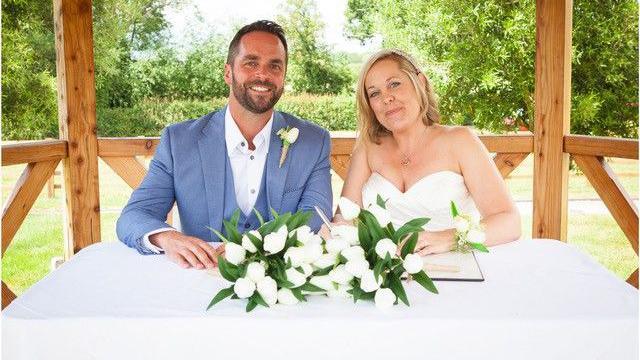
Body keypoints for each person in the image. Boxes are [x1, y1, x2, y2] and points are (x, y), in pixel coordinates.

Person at [117, 20, 333, 269]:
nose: (263, 74)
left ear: (283, 76)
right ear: (228, 73)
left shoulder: (313, 141)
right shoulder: (179, 141)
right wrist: (168, 238)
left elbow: (315, 218)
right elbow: (134, 216)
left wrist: (252, 253)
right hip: (199, 280)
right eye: (251, 63)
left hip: (279, 284)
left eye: (275, 66)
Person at [331, 49, 520, 254]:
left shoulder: (460, 141)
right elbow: (345, 218)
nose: (386, 98)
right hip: (386, 277)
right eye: (375, 93)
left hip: (456, 272)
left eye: (394, 84)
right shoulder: (368, 147)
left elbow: (509, 221)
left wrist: (447, 238)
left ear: (419, 82)